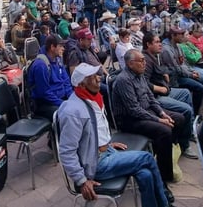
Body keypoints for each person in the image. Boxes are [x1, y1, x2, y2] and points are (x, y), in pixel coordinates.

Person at [57, 63, 172, 207]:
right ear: (82, 84)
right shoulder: (73, 111)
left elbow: (95, 130)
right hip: (96, 164)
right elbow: (66, 151)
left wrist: (106, 143)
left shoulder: (94, 99)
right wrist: (81, 180)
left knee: (146, 175)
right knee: (147, 157)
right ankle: (164, 203)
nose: (99, 79)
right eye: (92, 77)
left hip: (106, 152)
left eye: (97, 75)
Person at [111, 49, 189, 183]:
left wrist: (162, 113)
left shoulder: (139, 74)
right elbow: (134, 110)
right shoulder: (124, 80)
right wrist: (159, 120)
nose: (144, 63)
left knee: (179, 118)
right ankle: (164, 178)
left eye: (144, 60)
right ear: (130, 64)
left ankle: (165, 156)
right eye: (141, 61)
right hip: (130, 120)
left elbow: (151, 98)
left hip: (145, 111)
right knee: (164, 130)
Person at [29, 35, 73, 121]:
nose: (63, 49)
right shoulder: (41, 65)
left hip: (60, 98)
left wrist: (72, 97)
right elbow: (44, 93)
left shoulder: (58, 60)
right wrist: (63, 103)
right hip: (46, 104)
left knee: (81, 105)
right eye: (60, 46)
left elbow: (66, 81)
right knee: (69, 114)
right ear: (52, 47)